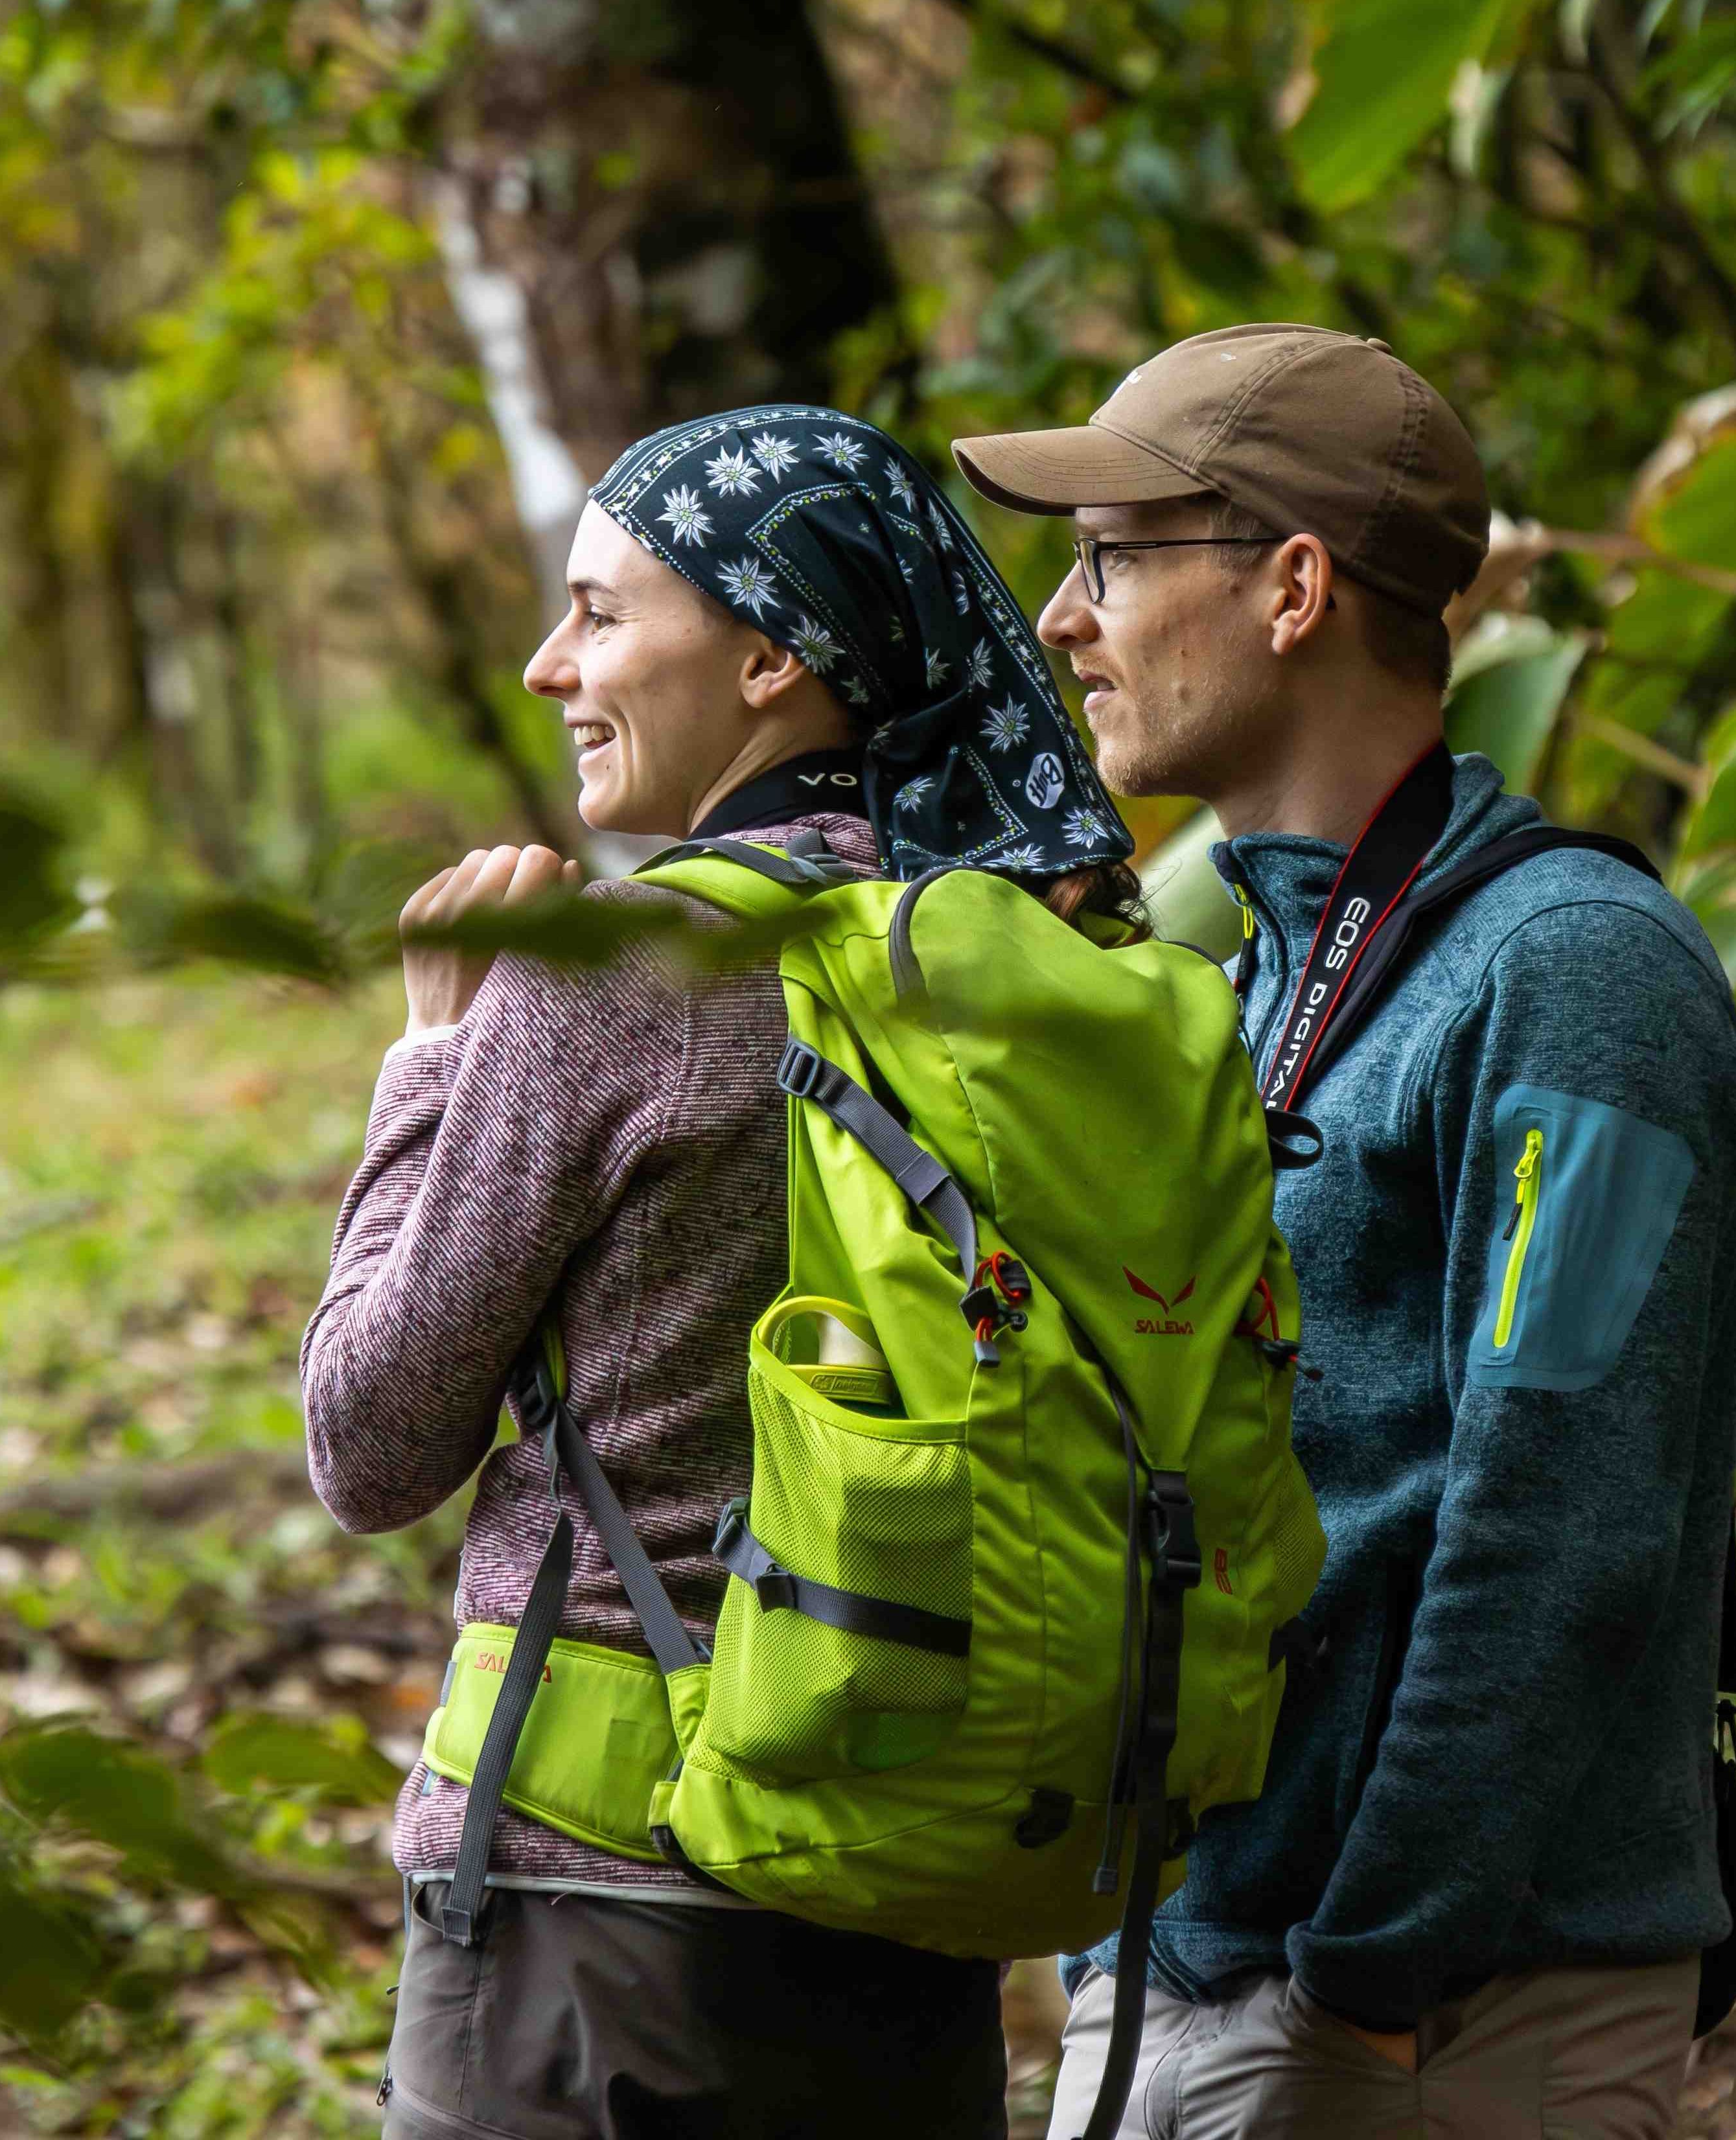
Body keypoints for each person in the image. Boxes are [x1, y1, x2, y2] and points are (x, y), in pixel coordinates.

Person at [953, 325, 1736, 2138]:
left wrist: (1368, 1970)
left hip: (1443, 2014)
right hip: (1190, 1972)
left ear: (1294, 585)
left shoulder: (1583, 986)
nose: (1064, 622)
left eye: (1109, 559)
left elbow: (1570, 1515)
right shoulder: (1244, 983)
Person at [303, 403, 1140, 2139]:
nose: (550, 665)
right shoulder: (1027, 974)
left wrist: (427, 1061)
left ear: (769, 657)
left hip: (588, 1897)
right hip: (913, 1876)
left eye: (603, 613)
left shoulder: (606, 979)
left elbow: (368, 1443)